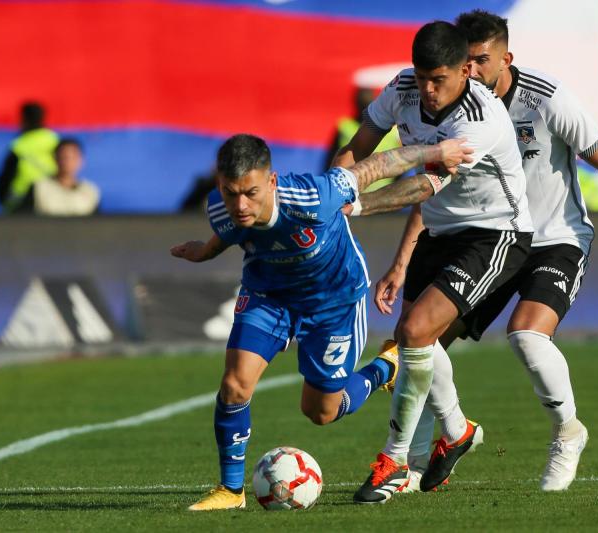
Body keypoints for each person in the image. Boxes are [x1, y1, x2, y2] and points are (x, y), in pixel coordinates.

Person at [365, 9, 598, 497]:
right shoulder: (451, 111)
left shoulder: (547, 99)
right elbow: (440, 194)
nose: (473, 71)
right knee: (419, 343)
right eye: (466, 62)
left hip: (554, 239)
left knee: (526, 335)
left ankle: (567, 432)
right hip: (483, 234)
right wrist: (402, 260)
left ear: (505, 58)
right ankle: (429, 452)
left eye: (482, 60)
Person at [172, 133, 472, 511]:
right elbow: (227, 234)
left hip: (334, 301)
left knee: (321, 412)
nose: (241, 204)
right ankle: (231, 491)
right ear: (221, 186)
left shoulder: (314, 195)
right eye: (231, 193)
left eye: (250, 192)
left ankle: (385, 369)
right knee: (234, 385)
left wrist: (435, 152)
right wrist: (202, 252)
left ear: (272, 181)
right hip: (269, 295)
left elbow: (376, 166)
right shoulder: (220, 206)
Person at [332, 21, 535, 504]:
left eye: (438, 79)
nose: (427, 89)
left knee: (415, 332)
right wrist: (330, 190)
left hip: (495, 234)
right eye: (422, 76)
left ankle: (394, 462)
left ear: (466, 70)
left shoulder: (478, 118)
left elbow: (423, 185)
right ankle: (458, 431)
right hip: (439, 232)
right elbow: (360, 146)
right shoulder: (403, 88)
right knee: (417, 339)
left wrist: (355, 205)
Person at [323, 87, 401, 191]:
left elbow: (330, 160)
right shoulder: (344, 126)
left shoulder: (344, 126)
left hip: (362, 194)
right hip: (364, 194)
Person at [0, 101, 59, 212]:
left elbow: (5, 177)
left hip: (21, 199)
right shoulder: (54, 139)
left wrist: (3, 201)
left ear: (24, 118)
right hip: (51, 198)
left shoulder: (19, 145)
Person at [14, 138, 100, 216]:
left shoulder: (90, 191)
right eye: (64, 157)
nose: (68, 161)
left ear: (81, 160)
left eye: (73, 157)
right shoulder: (39, 188)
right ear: (55, 158)